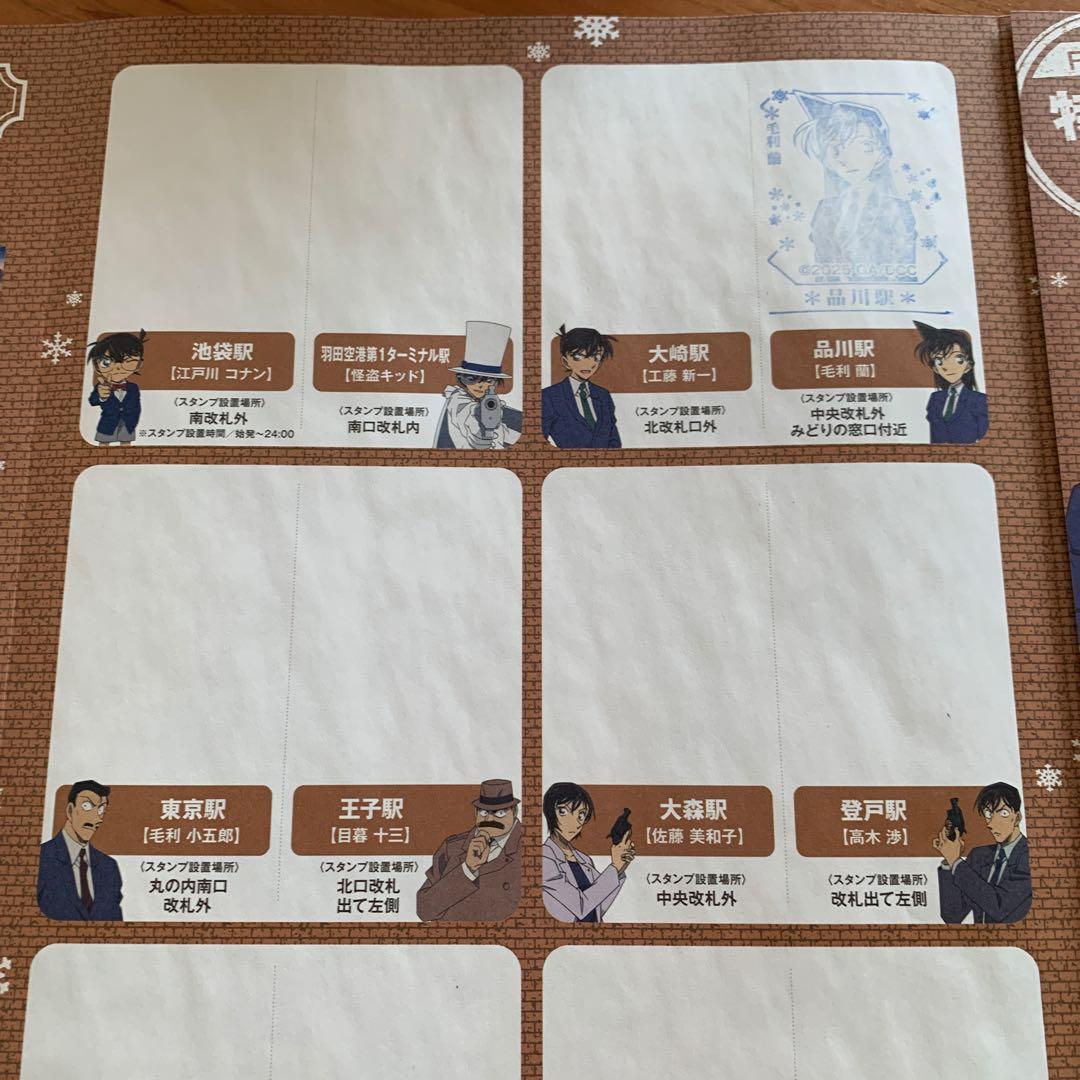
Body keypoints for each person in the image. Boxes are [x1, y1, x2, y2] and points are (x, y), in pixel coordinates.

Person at [794, 93, 916, 278]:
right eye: (835, 150)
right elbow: (822, 263)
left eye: (864, 146)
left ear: (880, 153)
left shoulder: (897, 209)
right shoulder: (825, 210)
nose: (847, 160)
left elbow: (904, 266)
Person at [416, 779, 521, 921]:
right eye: (484, 812)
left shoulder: (533, 851)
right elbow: (424, 909)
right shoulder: (452, 848)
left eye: (500, 813)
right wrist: (468, 869)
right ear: (476, 812)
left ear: (514, 812)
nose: (489, 819)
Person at [933, 781, 1031, 924]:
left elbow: (999, 907)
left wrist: (956, 861)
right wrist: (949, 862)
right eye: (988, 814)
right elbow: (952, 916)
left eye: (1003, 813)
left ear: (1017, 818)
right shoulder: (979, 856)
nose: (991, 823)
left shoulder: (1029, 855)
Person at [541, 781, 634, 923]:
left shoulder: (584, 859)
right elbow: (580, 905)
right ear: (550, 812)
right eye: (563, 811)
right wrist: (614, 868)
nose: (575, 822)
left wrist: (620, 868)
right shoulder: (543, 857)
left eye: (581, 815)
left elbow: (598, 906)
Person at [38, 780, 124, 921]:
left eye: (101, 809)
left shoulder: (109, 867)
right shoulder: (41, 858)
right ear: (70, 810)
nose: (97, 818)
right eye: (87, 806)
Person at [434, 321, 522, 449]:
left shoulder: (492, 403)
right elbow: (471, 426)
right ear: (461, 378)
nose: (480, 385)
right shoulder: (458, 400)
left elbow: (504, 433)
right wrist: (480, 418)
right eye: (472, 378)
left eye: (488, 380)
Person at [542, 325, 621, 448]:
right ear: (565, 361)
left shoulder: (603, 395)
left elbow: (614, 440)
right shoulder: (549, 396)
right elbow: (539, 442)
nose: (588, 363)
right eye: (578, 357)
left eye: (596, 357)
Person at [913, 320, 988, 444]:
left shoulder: (978, 400)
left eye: (958, 359)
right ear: (935, 368)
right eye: (939, 361)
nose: (948, 367)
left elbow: (984, 438)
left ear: (968, 364)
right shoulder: (935, 399)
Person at [87, 330, 147, 445]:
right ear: (97, 366)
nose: (118, 367)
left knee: (126, 444)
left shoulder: (133, 387)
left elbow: (136, 406)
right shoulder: (101, 386)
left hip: (128, 424)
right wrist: (101, 397)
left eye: (127, 361)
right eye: (107, 362)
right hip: (107, 423)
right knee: (104, 444)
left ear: (138, 365)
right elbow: (92, 401)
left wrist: (133, 420)